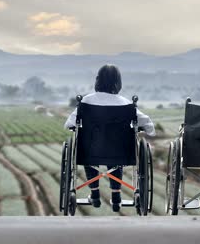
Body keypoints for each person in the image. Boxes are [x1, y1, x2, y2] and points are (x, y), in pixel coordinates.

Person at [64, 64, 155, 212]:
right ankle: (116, 198)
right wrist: (147, 129)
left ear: (97, 81)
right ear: (118, 83)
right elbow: (148, 125)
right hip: (120, 153)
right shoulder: (126, 104)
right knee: (116, 156)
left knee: (88, 148)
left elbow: (69, 124)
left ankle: (94, 195)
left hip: (90, 153)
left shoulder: (85, 102)